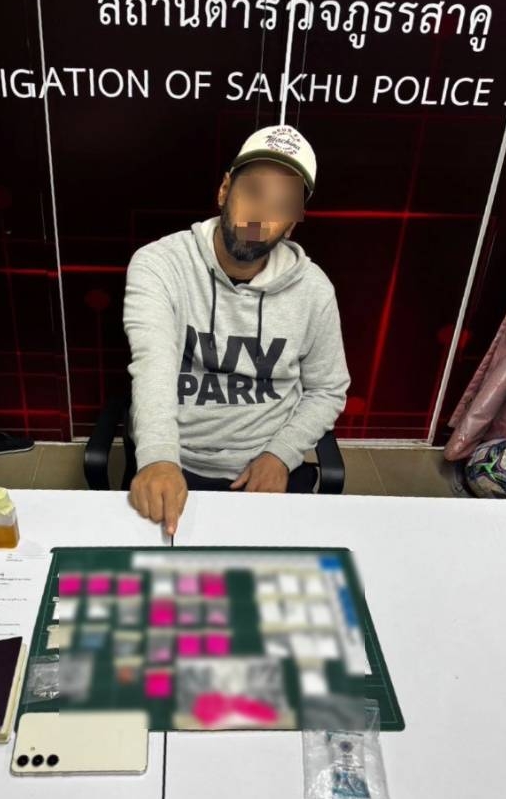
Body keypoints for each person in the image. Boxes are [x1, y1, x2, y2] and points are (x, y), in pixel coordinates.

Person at [123, 124, 350, 534]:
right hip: (175, 458)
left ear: (292, 224)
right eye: (254, 192)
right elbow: (152, 363)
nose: (261, 215)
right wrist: (158, 456)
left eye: (281, 204)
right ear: (225, 190)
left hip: (264, 465)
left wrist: (280, 455)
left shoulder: (314, 290)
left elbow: (328, 389)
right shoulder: (159, 264)